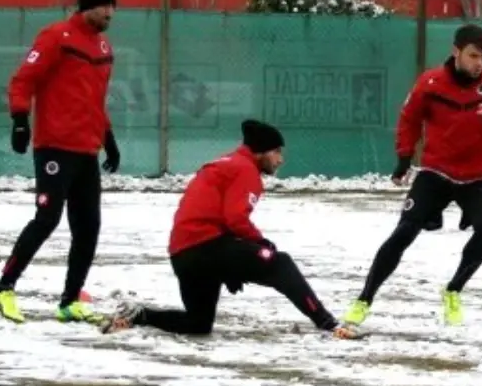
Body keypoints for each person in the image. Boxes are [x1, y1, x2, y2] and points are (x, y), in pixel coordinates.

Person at [100, 120, 359, 339]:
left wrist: (232, 264)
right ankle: (328, 324)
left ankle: (140, 315)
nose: (280, 159)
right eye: (277, 151)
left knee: (198, 324)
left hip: (183, 254)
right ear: (260, 152)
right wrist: (260, 244)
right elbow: (235, 220)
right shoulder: (245, 170)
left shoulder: (228, 163)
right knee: (280, 263)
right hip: (206, 246)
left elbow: (218, 218)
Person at [342, 24, 482, 328]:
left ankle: (453, 290)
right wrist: (404, 157)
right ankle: (364, 299)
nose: (479, 63)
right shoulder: (430, 82)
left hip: (479, 176)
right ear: (456, 52)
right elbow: (409, 119)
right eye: (473, 55)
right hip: (436, 172)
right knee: (403, 232)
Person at [0, 0, 123, 325]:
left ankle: (69, 301)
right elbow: (23, 79)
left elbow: (94, 101)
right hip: (54, 148)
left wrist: (108, 139)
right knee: (47, 219)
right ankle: (3, 288)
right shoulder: (56, 37)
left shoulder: (104, 48)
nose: (110, 12)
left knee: (89, 226)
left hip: (86, 150)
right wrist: (20, 119)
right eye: (104, 5)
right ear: (88, 6)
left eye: (113, 6)